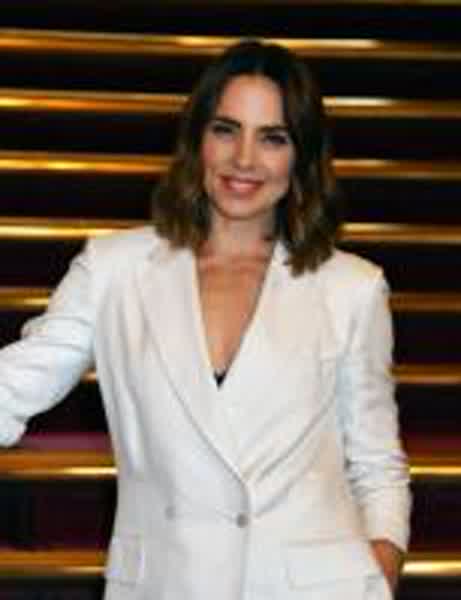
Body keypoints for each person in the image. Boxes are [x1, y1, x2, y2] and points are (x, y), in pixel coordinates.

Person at [0, 40, 410, 599]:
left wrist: (381, 564)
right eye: (226, 130)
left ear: (301, 156)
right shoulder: (114, 270)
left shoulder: (351, 288)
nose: (244, 159)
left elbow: (376, 460)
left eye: (273, 138)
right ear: (197, 138)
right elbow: (13, 386)